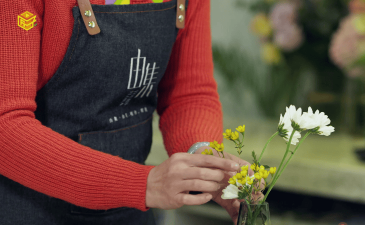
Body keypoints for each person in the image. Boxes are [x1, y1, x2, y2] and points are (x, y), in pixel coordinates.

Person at [0, 0, 251, 224]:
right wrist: (142, 184)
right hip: (30, 208)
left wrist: (203, 161)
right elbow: (5, 126)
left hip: (131, 210)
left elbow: (187, 92)